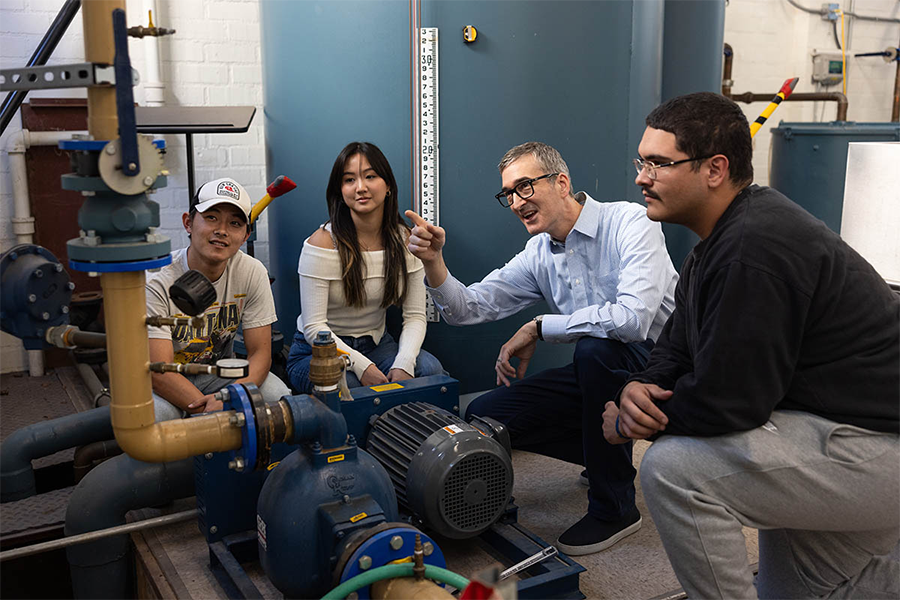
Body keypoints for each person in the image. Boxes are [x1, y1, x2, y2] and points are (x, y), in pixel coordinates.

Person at [604, 91, 899, 598]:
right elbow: (675, 348)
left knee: (675, 471)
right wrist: (639, 388)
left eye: (658, 163)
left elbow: (731, 402)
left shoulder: (754, 246)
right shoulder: (715, 246)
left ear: (714, 169)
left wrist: (636, 423)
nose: (641, 178)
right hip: (833, 430)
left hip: (874, 448)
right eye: (641, 162)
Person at [406, 141, 678, 555]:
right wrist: (433, 262)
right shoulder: (538, 253)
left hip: (660, 365)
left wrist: (539, 327)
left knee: (595, 351)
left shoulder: (631, 222)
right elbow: (468, 308)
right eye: (508, 194)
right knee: (486, 414)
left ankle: (616, 508)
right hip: (600, 372)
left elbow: (631, 320)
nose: (517, 202)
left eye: (525, 187)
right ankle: (605, 456)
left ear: (562, 183)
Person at [286, 141, 444, 393]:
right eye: (349, 180)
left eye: (370, 176)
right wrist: (361, 366)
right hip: (317, 351)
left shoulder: (406, 240)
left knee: (429, 370)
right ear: (340, 190)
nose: (360, 187)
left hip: (378, 345)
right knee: (347, 387)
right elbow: (314, 328)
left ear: (388, 185)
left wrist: (404, 363)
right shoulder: (322, 242)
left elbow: (415, 316)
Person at [146, 178, 291, 420]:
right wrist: (211, 412)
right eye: (211, 217)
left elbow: (260, 354)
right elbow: (159, 371)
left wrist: (231, 398)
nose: (222, 230)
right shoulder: (158, 279)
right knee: (156, 417)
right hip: (167, 380)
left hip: (220, 375)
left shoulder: (252, 272)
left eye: (235, 223)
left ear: (245, 235)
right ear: (188, 223)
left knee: (277, 396)